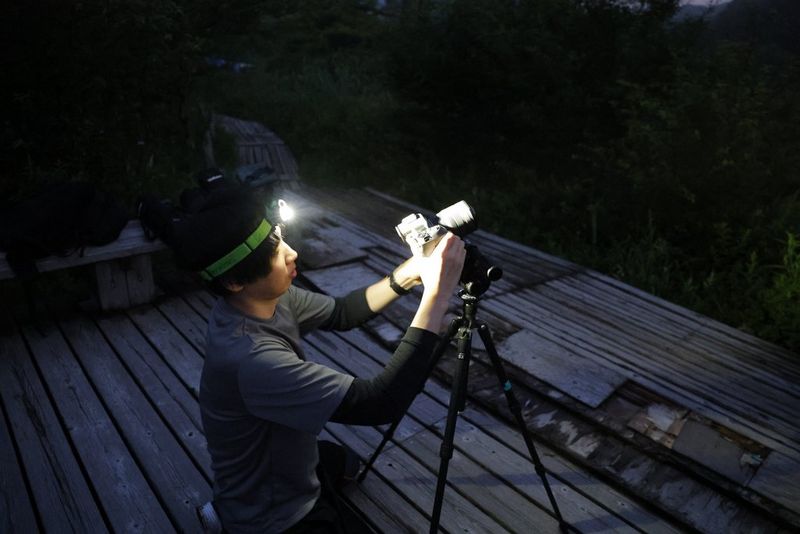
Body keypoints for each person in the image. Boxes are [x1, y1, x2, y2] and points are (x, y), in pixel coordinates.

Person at [173, 188, 466, 533]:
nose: (292, 253)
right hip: (273, 515)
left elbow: (343, 312)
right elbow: (379, 403)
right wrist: (437, 295)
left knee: (342, 462)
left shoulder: (267, 298)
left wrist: (412, 270)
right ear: (234, 281)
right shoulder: (250, 358)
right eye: (275, 251)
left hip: (283, 451)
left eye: (281, 238)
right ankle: (236, 516)